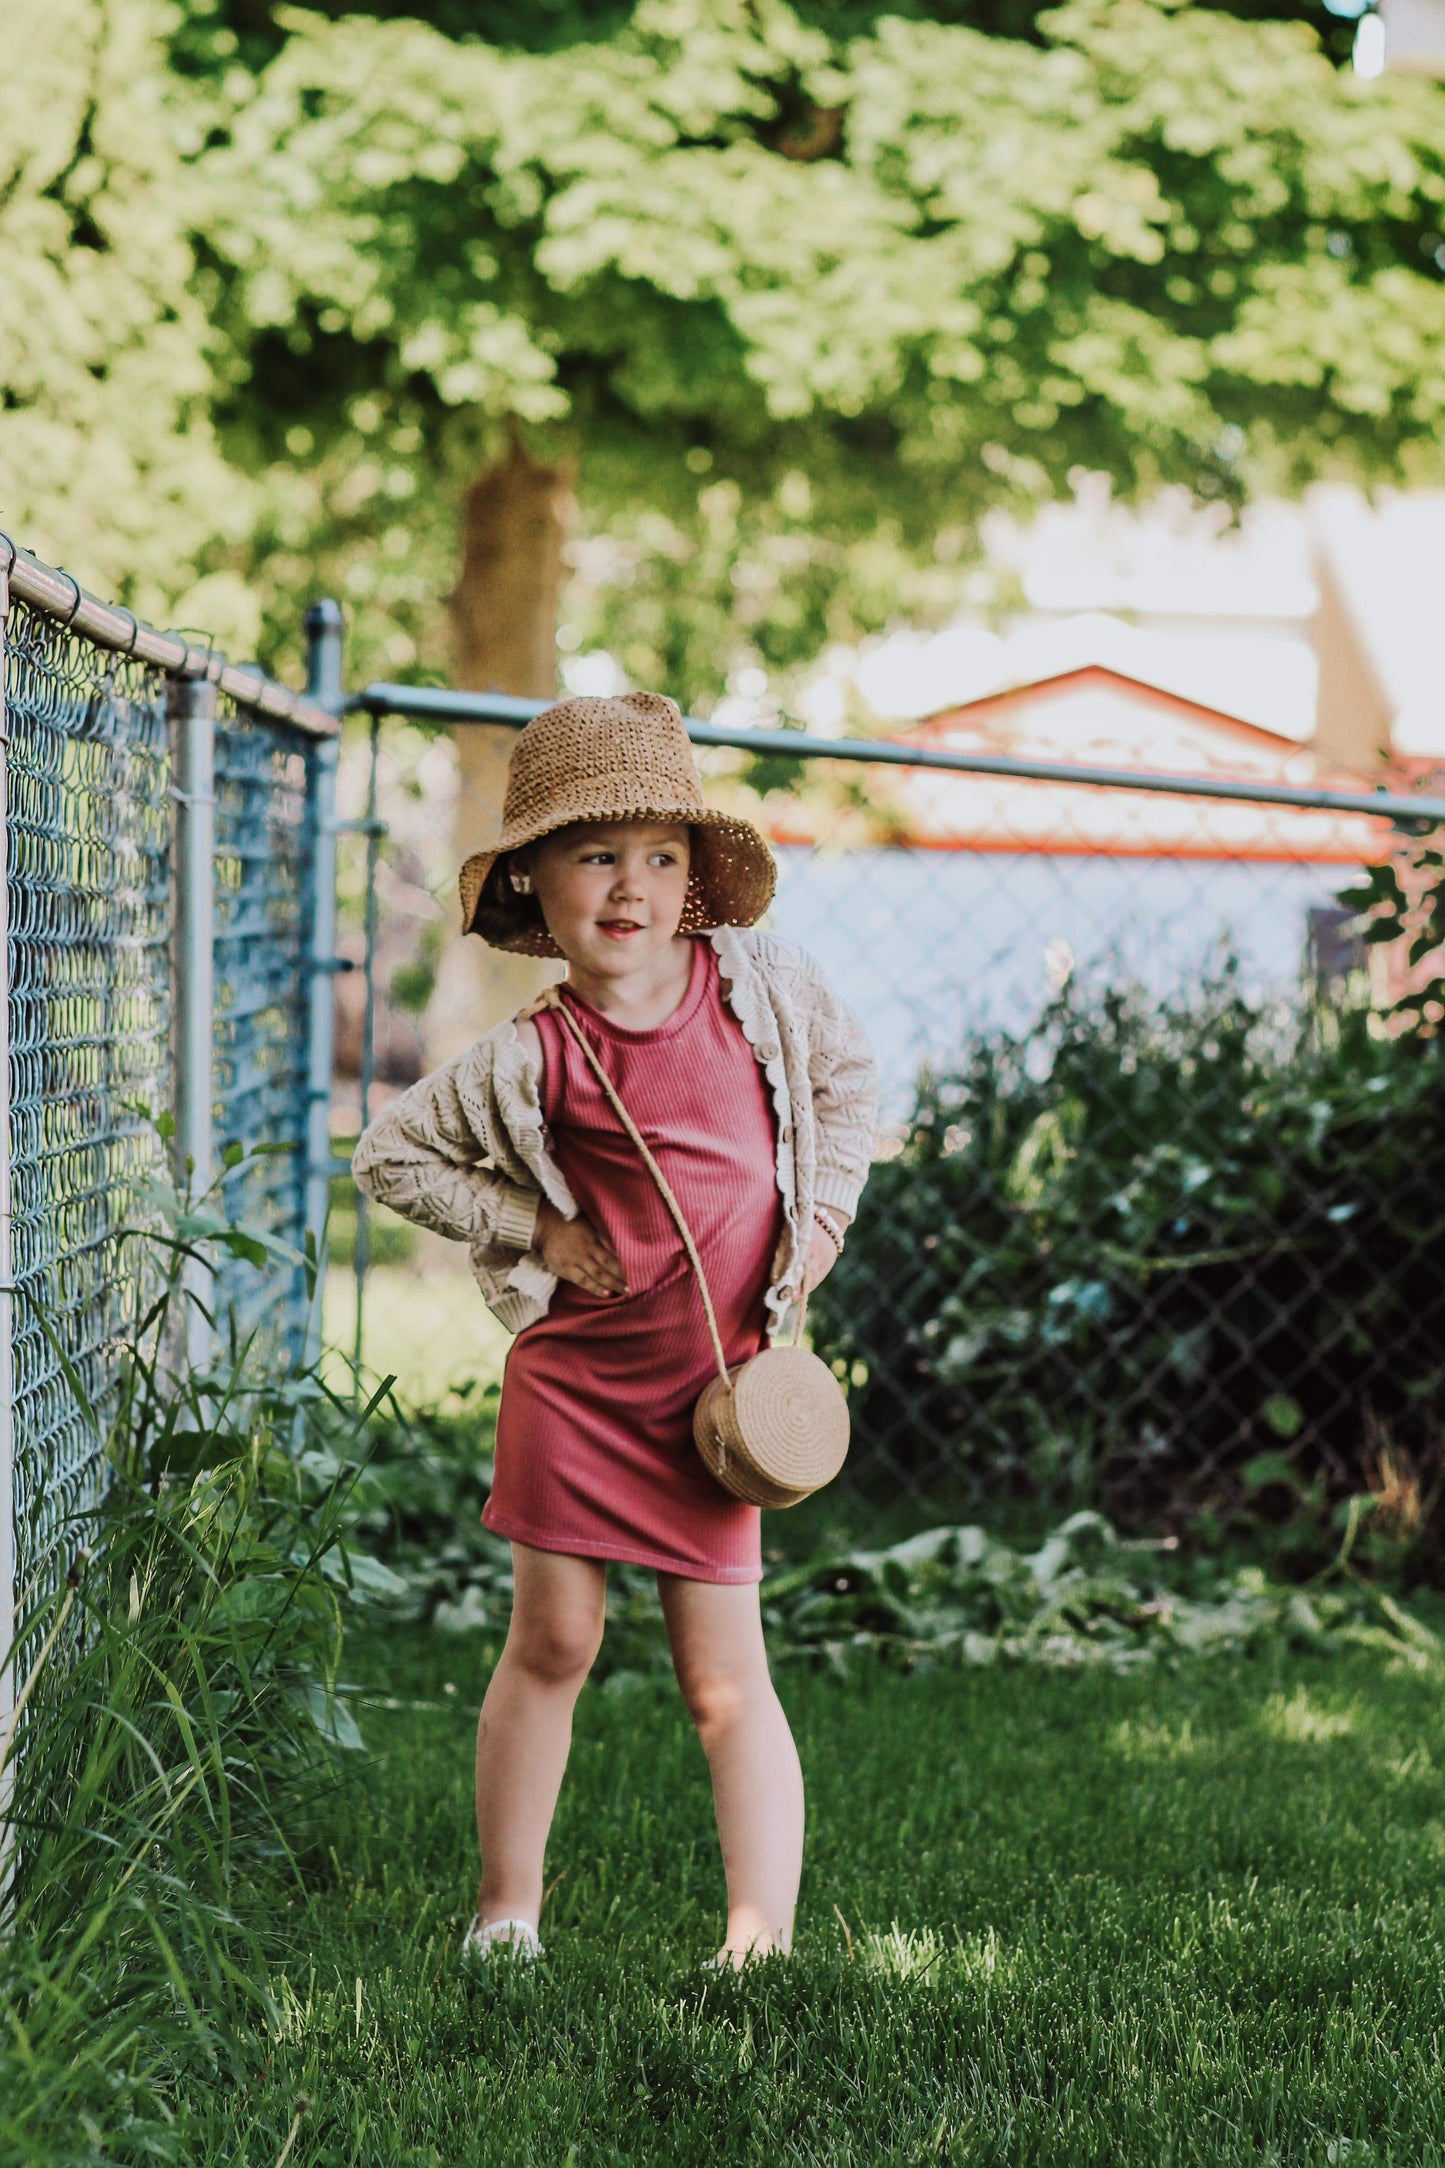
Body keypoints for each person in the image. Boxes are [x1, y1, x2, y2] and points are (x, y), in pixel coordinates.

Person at [351, 689, 878, 1971]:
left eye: (659, 853)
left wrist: (818, 1220)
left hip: (715, 1402)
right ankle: (505, 1909)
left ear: (694, 873)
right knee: (553, 1640)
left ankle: (758, 1933)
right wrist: (537, 1231)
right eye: (595, 854)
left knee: (722, 1676)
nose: (629, 885)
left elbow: (845, 1085)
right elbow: (389, 1152)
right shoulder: (534, 1053)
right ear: (535, 878)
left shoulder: (760, 987)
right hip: (578, 1388)